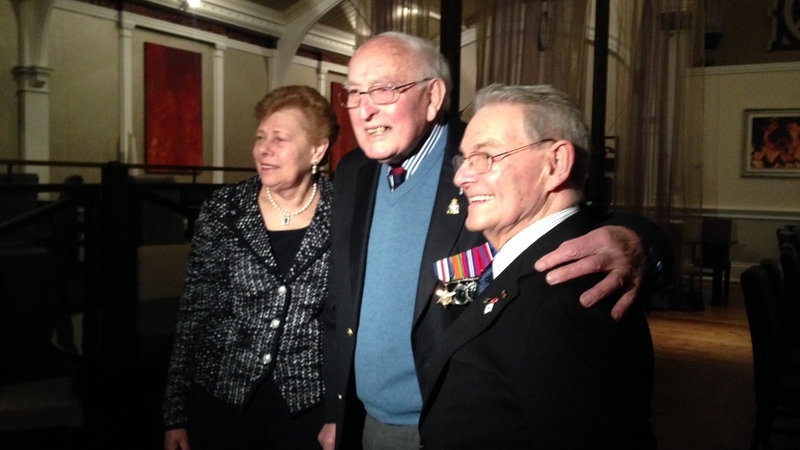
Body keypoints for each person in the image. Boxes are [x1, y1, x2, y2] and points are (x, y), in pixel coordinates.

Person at [320, 32, 668, 450]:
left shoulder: (491, 156)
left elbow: (571, 221)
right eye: (354, 92)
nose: (364, 108)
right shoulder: (352, 172)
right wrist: (336, 413)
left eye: (383, 89)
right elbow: (340, 299)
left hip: (449, 422)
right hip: (364, 420)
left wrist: (638, 242)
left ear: (433, 97)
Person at [417, 83, 656, 449]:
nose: (461, 176)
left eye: (486, 156)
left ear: (556, 163)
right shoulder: (524, 263)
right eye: (464, 159)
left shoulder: (570, 298)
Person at [162, 85, 338, 450]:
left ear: (317, 149)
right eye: (261, 137)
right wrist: (175, 413)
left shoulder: (344, 212)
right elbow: (195, 312)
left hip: (308, 409)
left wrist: (340, 412)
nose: (264, 149)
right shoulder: (224, 208)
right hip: (222, 401)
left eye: (280, 138)